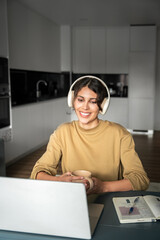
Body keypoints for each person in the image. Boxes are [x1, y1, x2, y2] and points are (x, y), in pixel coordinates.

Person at [30, 75, 149, 194]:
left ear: (102, 105)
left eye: (93, 102)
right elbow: (37, 173)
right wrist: (58, 180)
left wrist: (104, 187)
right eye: (80, 100)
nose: (85, 107)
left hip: (108, 199)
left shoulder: (120, 134)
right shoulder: (62, 132)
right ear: (72, 100)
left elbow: (140, 179)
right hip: (73, 198)